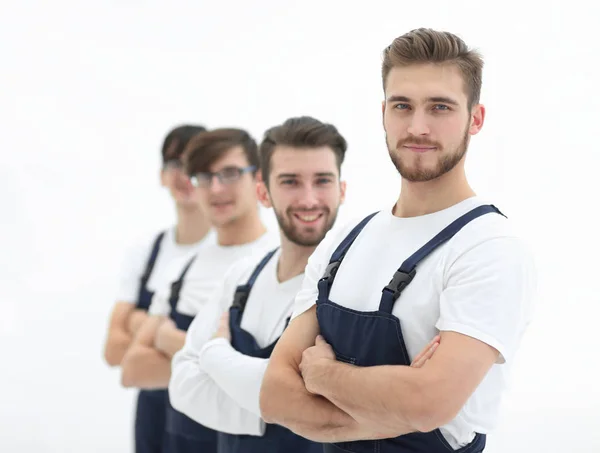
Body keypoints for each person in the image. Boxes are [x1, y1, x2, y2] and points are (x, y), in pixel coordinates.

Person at [259, 28, 537, 453]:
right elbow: (276, 396)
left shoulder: (488, 248)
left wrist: (323, 377)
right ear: (383, 113)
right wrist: (393, 409)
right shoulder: (344, 241)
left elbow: (429, 403)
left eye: (440, 107)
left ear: (475, 119)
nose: (418, 127)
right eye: (402, 106)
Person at [167, 116, 349, 453]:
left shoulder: (353, 289)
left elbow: (336, 411)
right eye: (290, 182)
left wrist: (216, 356)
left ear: (341, 190)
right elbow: (182, 385)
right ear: (263, 192)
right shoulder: (243, 275)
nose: (308, 199)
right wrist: (281, 407)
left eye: (322, 181)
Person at [121, 127, 278, 453]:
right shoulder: (182, 268)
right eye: (204, 176)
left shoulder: (278, 263)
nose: (216, 188)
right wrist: (223, 365)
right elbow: (134, 368)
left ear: (259, 178)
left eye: (230, 173)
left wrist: (167, 340)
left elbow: (274, 384)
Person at [103, 124, 213, 453]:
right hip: (152, 416)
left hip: (205, 418)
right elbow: (113, 350)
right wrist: (173, 341)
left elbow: (220, 361)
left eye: (195, 163)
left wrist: (139, 322)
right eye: (174, 164)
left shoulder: (227, 255)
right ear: (161, 175)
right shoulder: (147, 250)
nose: (184, 173)